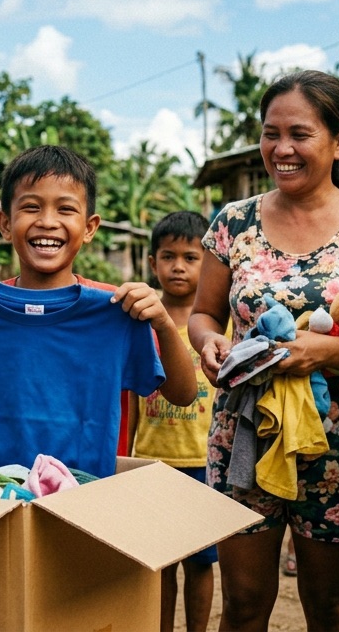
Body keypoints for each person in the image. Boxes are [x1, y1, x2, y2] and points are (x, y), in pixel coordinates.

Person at [189, 69, 339, 632]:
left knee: (331, 607)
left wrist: (318, 353)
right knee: (241, 605)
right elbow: (203, 314)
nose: (281, 149)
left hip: (337, 443)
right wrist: (210, 343)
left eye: (299, 134)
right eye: (270, 133)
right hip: (243, 436)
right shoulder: (232, 223)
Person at [0, 145, 197, 478]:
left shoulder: (116, 309)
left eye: (65, 209)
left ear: (90, 227)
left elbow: (182, 394)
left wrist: (165, 326)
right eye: (31, 207)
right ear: (5, 223)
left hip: (84, 497)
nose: (47, 222)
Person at [129, 210, 217, 632]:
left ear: (209, 263)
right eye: (168, 257)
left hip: (204, 461)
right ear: (152, 264)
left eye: (190, 257)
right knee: (160, 564)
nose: (178, 266)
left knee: (201, 563)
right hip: (151, 461)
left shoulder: (221, 327)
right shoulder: (139, 323)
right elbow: (127, 398)